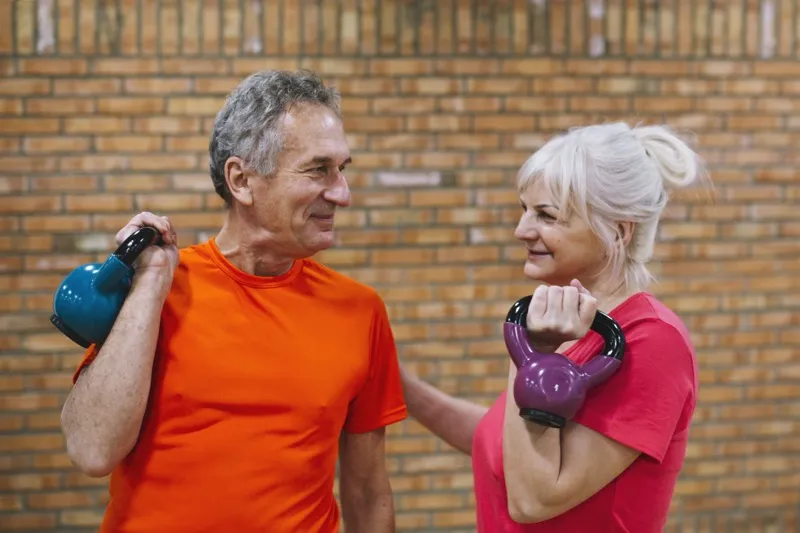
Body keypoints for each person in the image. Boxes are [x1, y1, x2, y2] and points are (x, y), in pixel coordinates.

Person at [59, 69, 407, 533]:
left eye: (342, 169)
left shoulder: (361, 310)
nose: (342, 193)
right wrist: (150, 284)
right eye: (318, 169)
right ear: (241, 180)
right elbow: (91, 449)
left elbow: (368, 491)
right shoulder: (157, 289)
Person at [401, 121, 708, 532]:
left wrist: (531, 355)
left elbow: (534, 499)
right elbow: (507, 443)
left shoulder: (652, 341)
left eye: (546, 215)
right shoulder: (568, 328)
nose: (522, 230)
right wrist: (402, 387)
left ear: (618, 231)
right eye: (524, 209)